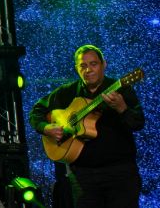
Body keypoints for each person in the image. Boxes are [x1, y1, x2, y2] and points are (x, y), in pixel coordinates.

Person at [29, 45, 144, 208]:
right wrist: (45, 128)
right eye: (83, 66)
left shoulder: (121, 89)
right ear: (76, 68)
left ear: (104, 64)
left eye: (93, 64)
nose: (88, 70)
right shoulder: (67, 92)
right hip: (82, 177)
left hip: (120, 174)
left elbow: (138, 123)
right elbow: (36, 111)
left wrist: (122, 108)